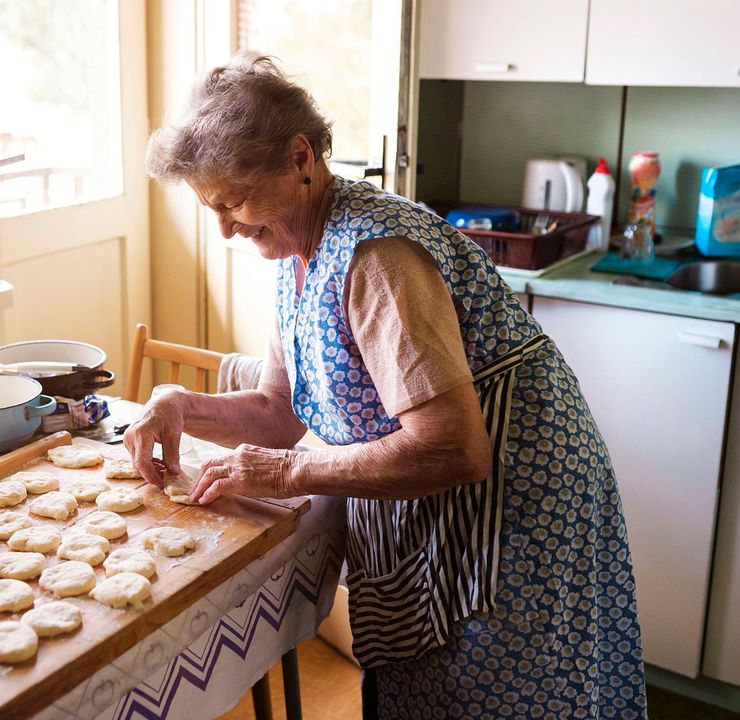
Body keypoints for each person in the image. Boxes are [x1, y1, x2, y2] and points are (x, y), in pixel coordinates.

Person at [128, 52, 647, 719]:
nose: (226, 227)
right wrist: (176, 403)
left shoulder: (377, 257)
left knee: (500, 695)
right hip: (446, 501)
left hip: (515, 507)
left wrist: (289, 472)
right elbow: (278, 408)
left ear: (299, 158)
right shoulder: (295, 250)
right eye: (212, 208)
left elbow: (455, 446)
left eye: (233, 202)